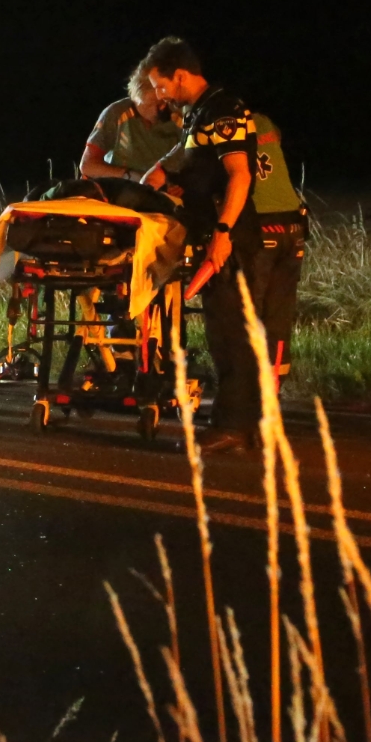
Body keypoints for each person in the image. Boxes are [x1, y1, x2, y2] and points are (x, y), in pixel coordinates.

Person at [138, 38, 262, 453]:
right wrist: (165, 172)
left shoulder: (223, 109)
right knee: (226, 331)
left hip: (231, 238)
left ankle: (231, 426)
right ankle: (246, 425)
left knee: (230, 333)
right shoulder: (200, 113)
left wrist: (223, 234)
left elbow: (239, 175)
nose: (157, 94)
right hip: (215, 233)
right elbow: (196, 158)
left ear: (181, 76)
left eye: (159, 85)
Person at [249, 111, 306, 380]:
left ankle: (247, 387)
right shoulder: (263, 122)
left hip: (260, 227)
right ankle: (275, 384)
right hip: (293, 227)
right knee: (280, 313)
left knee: (248, 311)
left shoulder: (217, 127)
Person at [80, 67, 184, 181]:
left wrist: (175, 182)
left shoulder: (177, 115)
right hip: (120, 188)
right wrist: (130, 176)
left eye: (165, 101)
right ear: (137, 99)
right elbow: (87, 165)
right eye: (156, 104)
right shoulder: (116, 113)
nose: (163, 108)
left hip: (162, 190)